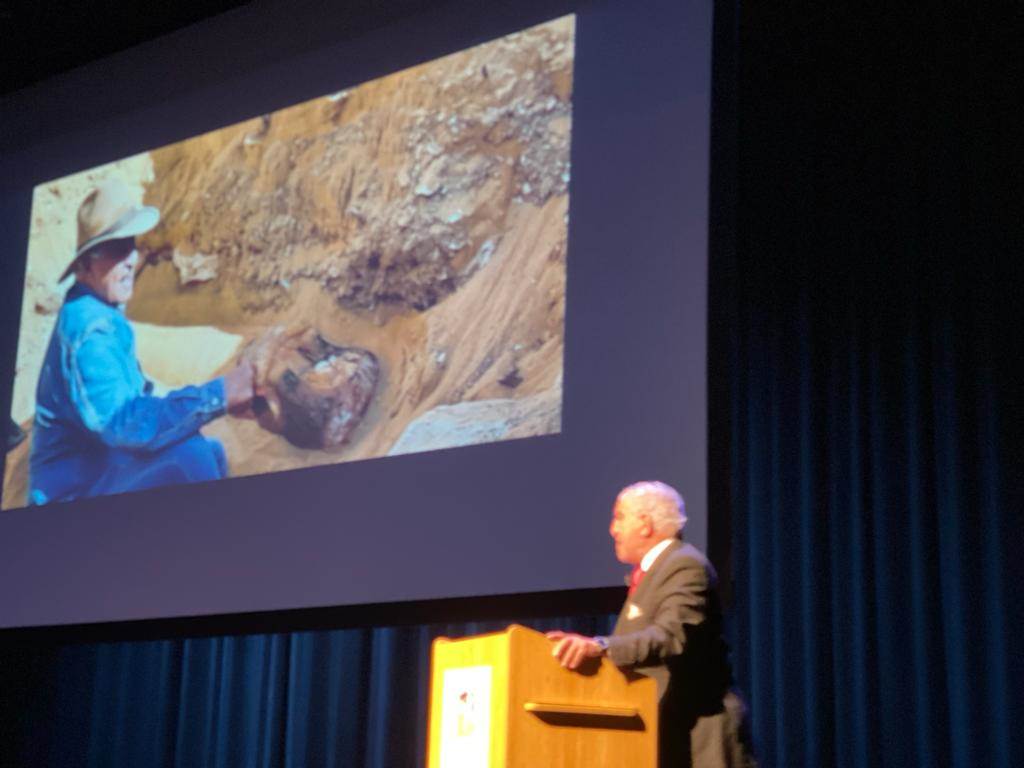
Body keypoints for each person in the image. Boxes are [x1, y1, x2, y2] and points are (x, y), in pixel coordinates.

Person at [28, 178, 254, 505]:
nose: (131, 259)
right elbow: (124, 424)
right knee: (192, 457)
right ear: (84, 265)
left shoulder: (96, 309)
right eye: (116, 249)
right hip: (73, 493)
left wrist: (215, 401)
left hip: (100, 468)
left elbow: (138, 395)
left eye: (130, 244)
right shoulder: (90, 330)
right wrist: (219, 395)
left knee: (210, 451)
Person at [547, 481, 755, 768]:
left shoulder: (684, 565)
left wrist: (600, 646)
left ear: (645, 524)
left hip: (700, 736)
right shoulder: (658, 569)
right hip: (667, 729)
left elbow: (671, 636)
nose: (613, 529)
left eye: (619, 517)